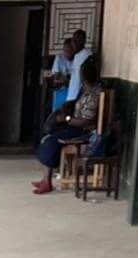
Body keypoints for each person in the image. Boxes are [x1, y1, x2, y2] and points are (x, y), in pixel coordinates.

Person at [32, 56, 102, 195]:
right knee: (49, 133)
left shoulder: (93, 95)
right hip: (75, 126)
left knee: (50, 141)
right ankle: (45, 179)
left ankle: (47, 182)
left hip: (83, 130)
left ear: (84, 77)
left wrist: (67, 118)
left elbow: (86, 121)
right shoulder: (86, 91)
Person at [45, 38, 75, 113]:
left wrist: (65, 79)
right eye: (65, 51)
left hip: (74, 92)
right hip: (61, 91)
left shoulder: (78, 59)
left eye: (69, 51)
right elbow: (56, 78)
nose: (67, 53)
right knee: (58, 113)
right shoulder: (59, 58)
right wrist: (67, 80)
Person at [65, 28, 94, 101]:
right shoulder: (76, 55)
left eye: (78, 40)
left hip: (79, 98)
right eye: (73, 40)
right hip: (71, 97)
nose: (74, 43)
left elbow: (85, 80)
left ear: (83, 41)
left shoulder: (87, 55)